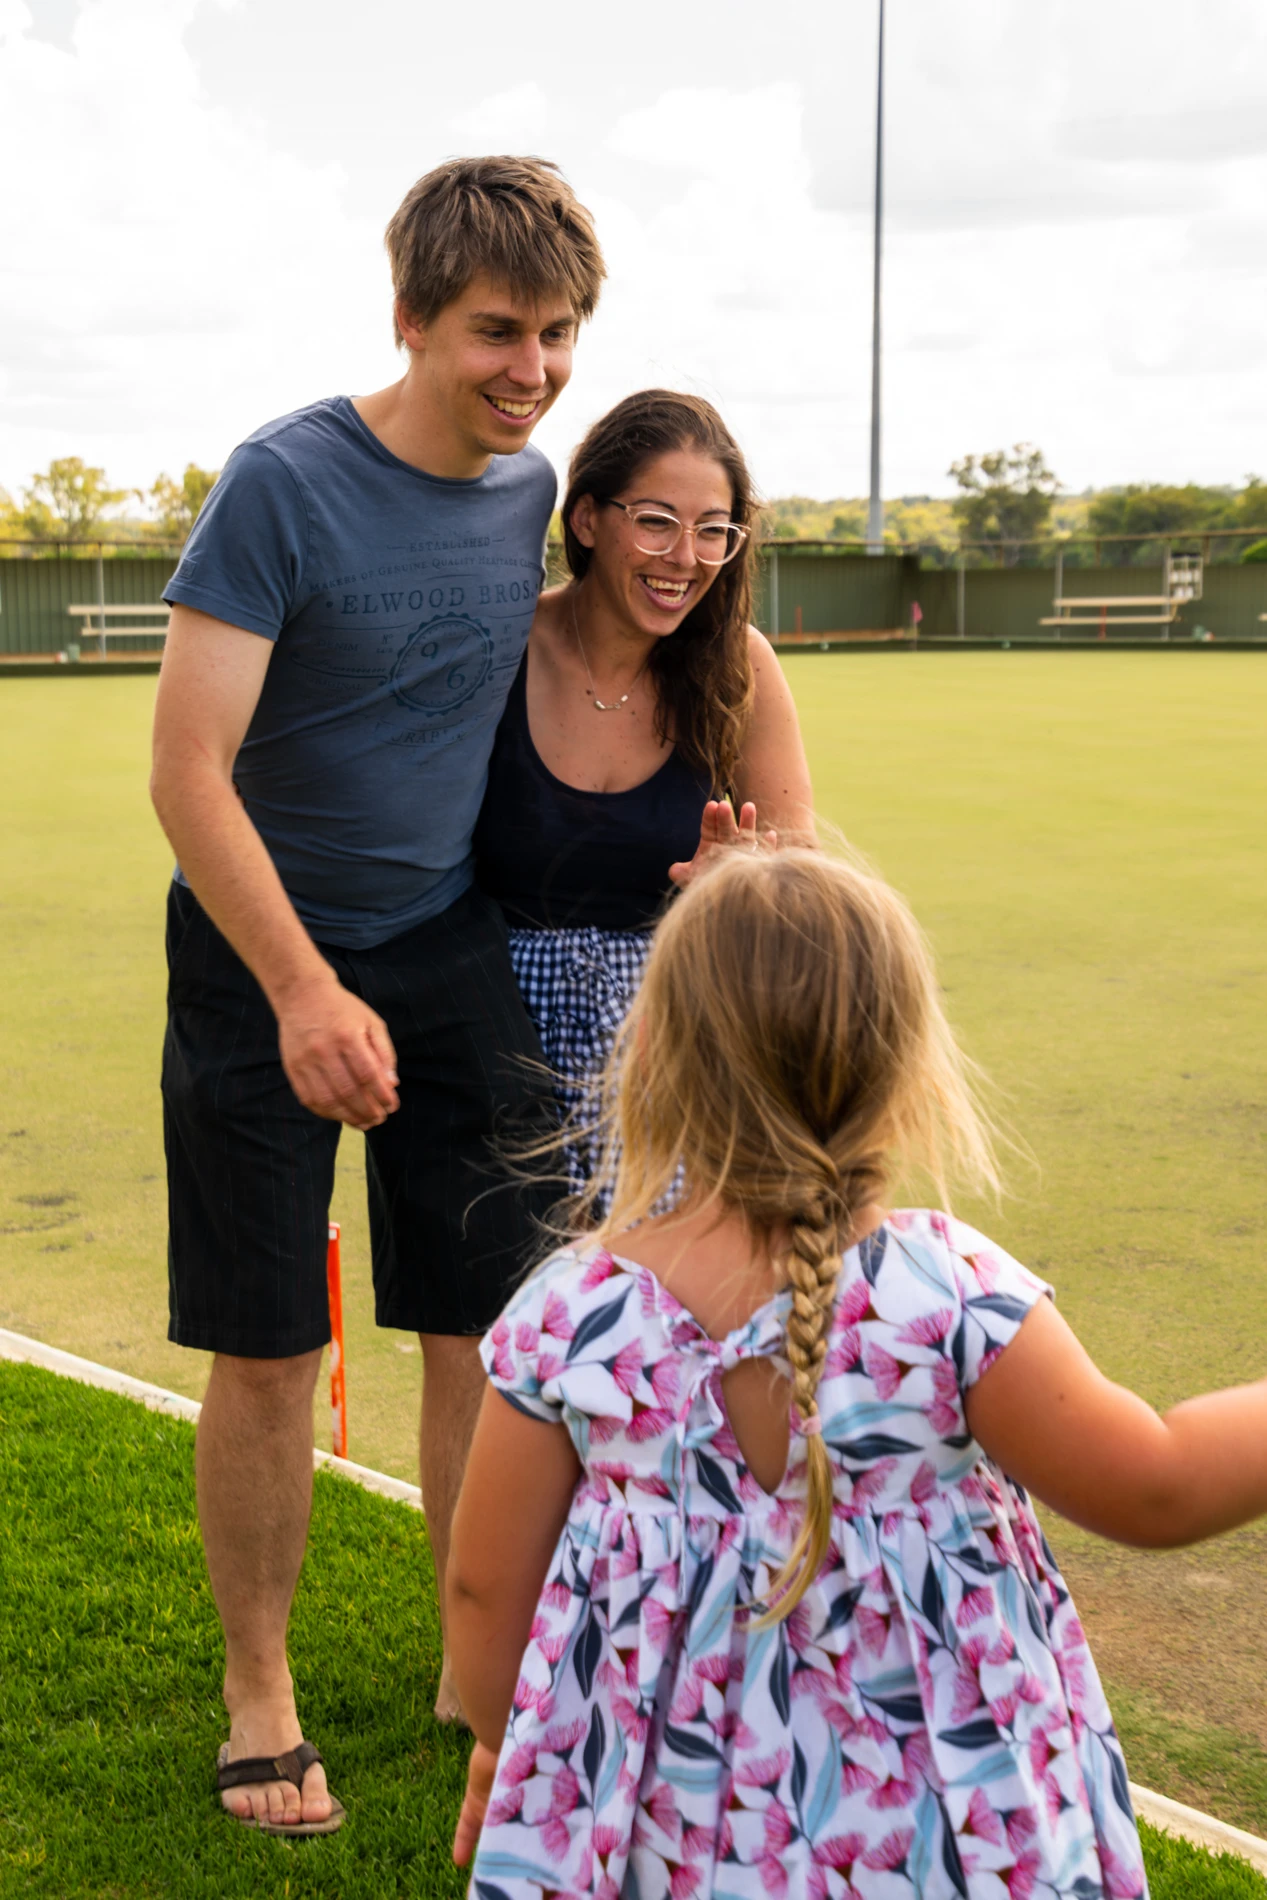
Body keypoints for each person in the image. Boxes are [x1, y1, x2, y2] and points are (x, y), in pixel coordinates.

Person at [446, 847, 1267, 1896]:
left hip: (662, 1832)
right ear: (904, 1065)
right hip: (927, 1839)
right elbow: (1159, 1482)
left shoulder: (570, 1314)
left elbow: (481, 1587)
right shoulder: (947, 1300)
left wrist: (499, 1739)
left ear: (647, 1053)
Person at [149, 155, 605, 1834]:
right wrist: (297, 989)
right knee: (271, 1345)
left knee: (484, 1333)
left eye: (556, 335)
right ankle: (257, 1696)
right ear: (410, 317)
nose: (532, 369)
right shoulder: (280, 480)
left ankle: (473, 1662)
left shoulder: (528, 483)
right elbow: (188, 773)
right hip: (258, 953)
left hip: (445, 940)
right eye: (497, 330)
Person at [473, 389, 814, 1194]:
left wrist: (737, 887)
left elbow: (801, 883)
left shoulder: (742, 666)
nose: (686, 558)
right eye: (657, 521)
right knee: (503, 1315)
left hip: (678, 1060)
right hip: (487, 1056)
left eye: (713, 531)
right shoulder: (498, 644)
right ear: (587, 520)